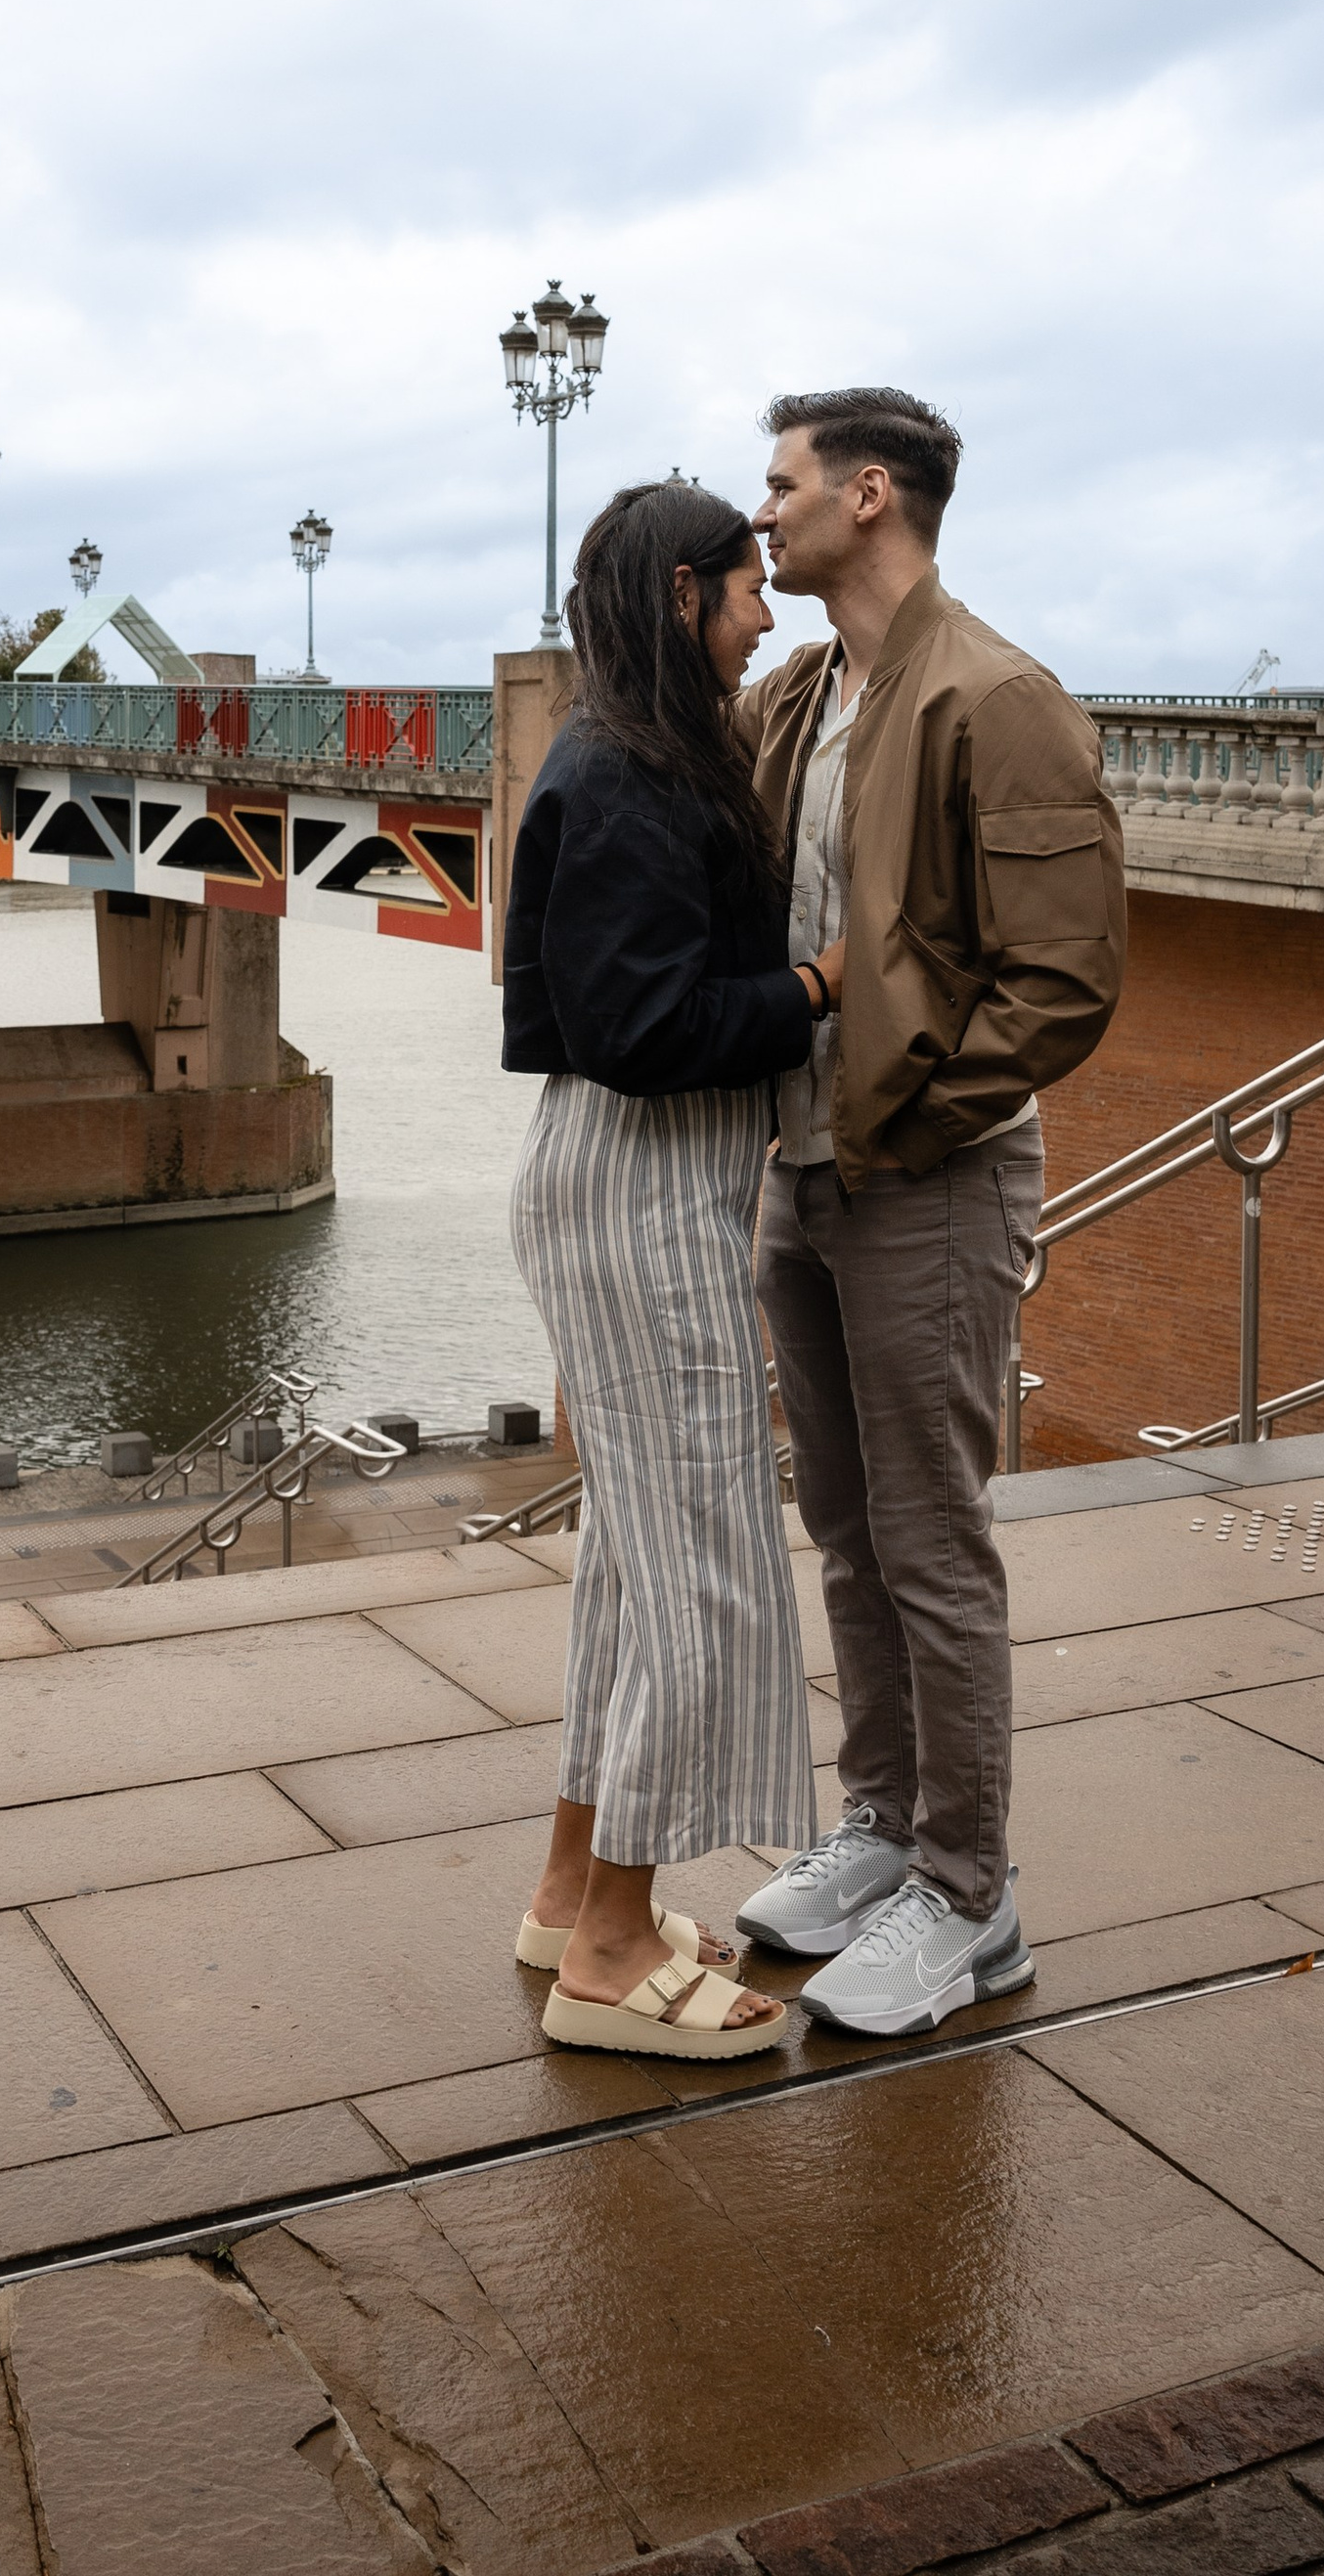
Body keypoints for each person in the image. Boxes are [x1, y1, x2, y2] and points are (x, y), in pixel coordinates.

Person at [734, 388, 1125, 2034]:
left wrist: (901, 1112)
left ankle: (975, 1895)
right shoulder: (797, 692)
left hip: (929, 1177)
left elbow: (1064, 982)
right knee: (842, 1527)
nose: (765, 514)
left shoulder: (999, 696)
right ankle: (883, 1827)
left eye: (783, 484)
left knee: (933, 1540)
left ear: (868, 495)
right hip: (797, 1173)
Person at [502, 476, 834, 2061]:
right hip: (643, 1190)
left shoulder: (615, 752)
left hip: (619, 1184)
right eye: (743, 588)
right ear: (680, 594)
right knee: (701, 1556)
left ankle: (576, 1891)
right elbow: (642, 1034)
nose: (763, 615)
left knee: (643, 1564)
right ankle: (615, 1954)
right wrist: (815, 985)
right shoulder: (633, 772)